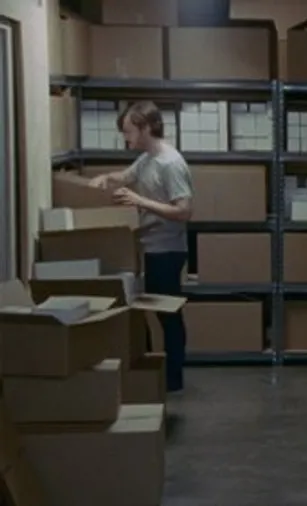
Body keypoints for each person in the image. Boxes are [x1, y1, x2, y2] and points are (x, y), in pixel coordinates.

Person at [89, 101, 193, 394]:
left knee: (167, 314)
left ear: (146, 128)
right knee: (147, 311)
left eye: (128, 131)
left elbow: (184, 211)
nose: (125, 138)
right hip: (149, 247)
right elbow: (126, 177)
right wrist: (106, 178)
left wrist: (140, 201)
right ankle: (154, 374)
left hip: (167, 250)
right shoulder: (147, 158)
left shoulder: (171, 164)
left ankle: (173, 380)